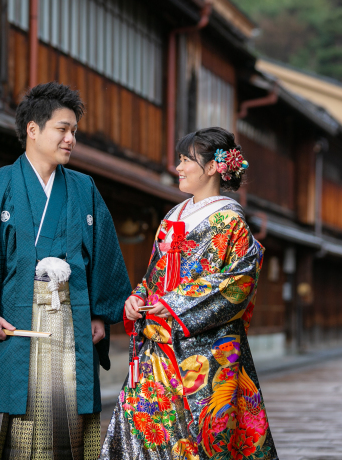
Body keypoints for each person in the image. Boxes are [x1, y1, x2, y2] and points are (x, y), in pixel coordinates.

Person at [0, 82, 132, 460]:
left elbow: (105, 254)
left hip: (70, 321)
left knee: (68, 420)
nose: (70, 139)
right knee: (10, 422)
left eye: (74, 131)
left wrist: (97, 314)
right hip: (11, 323)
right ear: (33, 129)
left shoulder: (84, 188)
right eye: (62, 129)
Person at [101, 127, 278, 460]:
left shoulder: (230, 221)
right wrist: (138, 297)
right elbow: (155, 275)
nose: (178, 167)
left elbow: (238, 282)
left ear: (213, 167)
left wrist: (175, 303)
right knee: (149, 430)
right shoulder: (173, 217)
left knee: (203, 436)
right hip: (159, 346)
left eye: (186, 160)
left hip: (207, 353)